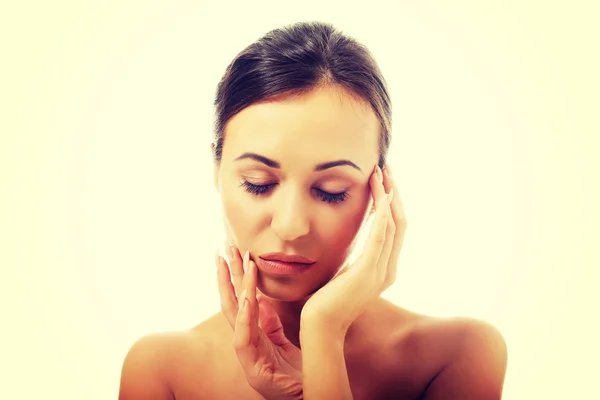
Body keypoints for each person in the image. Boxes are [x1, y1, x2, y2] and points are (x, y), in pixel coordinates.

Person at [118, 21, 508, 400]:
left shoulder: (457, 356)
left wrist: (323, 332)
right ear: (217, 171)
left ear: (379, 192)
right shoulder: (162, 370)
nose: (290, 226)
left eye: (331, 191)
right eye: (258, 183)